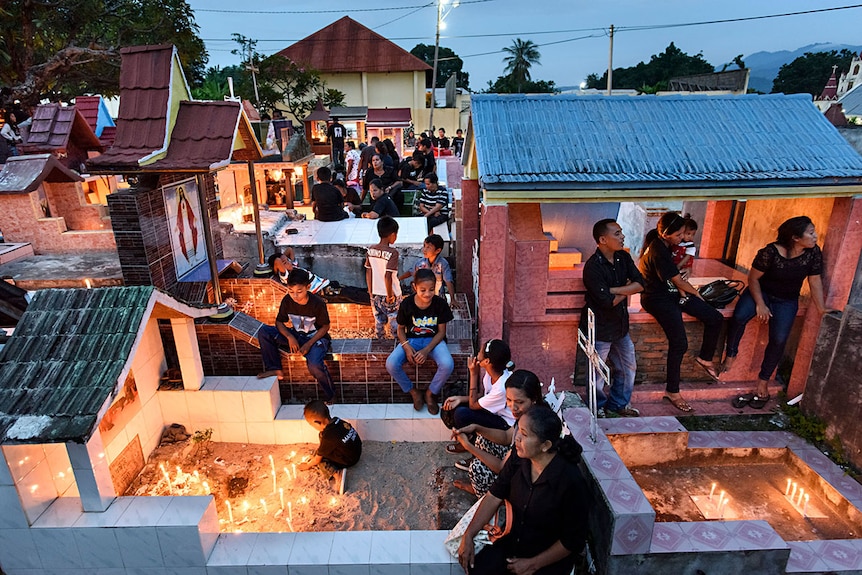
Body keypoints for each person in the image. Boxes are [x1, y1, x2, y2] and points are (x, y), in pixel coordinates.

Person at [457, 404, 590, 575]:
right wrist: (469, 535)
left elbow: (572, 541)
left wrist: (533, 564)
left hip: (546, 559)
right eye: (518, 430)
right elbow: (494, 495)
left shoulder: (570, 481)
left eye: (525, 434)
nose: (517, 438)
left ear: (545, 445)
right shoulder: (518, 459)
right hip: (513, 544)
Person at [722, 216, 829, 409]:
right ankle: (731, 353)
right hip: (761, 291)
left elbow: (814, 281)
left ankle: (763, 381)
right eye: (811, 233)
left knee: (779, 339)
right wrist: (760, 304)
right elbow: (753, 279)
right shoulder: (770, 252)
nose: (815, 236)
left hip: (786, 300)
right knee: (739, 316)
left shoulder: (813, 253)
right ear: (796, 237)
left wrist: (821, 308)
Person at [638, 211, 723, 413]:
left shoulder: (665, 243)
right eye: (678, 235)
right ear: (666, 234)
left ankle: (705, 357)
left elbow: (678, 280)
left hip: (674, 293)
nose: (681, 239)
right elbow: (676, 280)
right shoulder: (658, 249)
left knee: (715, 317)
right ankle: (673, 391)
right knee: (679, 343)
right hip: (657, 299)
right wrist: (697, 295)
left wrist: (691, 293)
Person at [582, 219, 644, 417]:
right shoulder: (593, 267)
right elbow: (606, 301)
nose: (622, 236)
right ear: (603, 239)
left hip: (620, 326)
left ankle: (618, 404)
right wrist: (627, 290)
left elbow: (640, 284)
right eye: (617, 233)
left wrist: (614, 290)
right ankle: (597, 406)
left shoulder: (623, 258)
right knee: (597, 372)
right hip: (599, 328)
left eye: (621, 232)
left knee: (627, 366)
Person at [451, 369, 544, 497]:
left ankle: (485, 496)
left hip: (525, 481)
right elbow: (506, 437)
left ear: (533, 399)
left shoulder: (532, 427)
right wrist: (476, 428)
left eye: (520, 402)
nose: (513, 407)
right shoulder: (528, 414)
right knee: (482, 439)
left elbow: (502, 467)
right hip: (519, 465)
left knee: (477, 468)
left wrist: (468, 446)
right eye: (509, 400)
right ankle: (480, 487)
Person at [257, 268, 337, 403]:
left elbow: (325, 327)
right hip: (296, 335)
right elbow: (279, 322)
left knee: (314, 365)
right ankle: (275, 369)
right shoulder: (287, 300)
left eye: (299, 292)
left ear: (308, 287)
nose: (295, 295)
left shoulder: (317, 303)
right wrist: (289, 337)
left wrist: (308, 344)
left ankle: (331, 395)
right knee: (264, 332)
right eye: (291, 291)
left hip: (315, 338)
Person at [386, 268, 454, 415]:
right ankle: (413, 392)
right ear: (414, 287)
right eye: (423, 290)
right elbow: (400, 330)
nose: (428, 294)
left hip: (434, 341)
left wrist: (426, 350)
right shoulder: (407, 304)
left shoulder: (440, 304)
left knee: (447, 364)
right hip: (411, 340)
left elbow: (442, 332)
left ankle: (431, 393)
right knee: (391, 363)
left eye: (431, 289)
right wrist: (406, 347)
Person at [442, 339, 515, 451]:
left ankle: (472, 445)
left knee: (462, 414)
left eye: (480, 351)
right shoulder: (493, 374)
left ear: (487, 361)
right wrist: (460, 399)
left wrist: (473, 373)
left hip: (505, 424)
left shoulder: (501, 387)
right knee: (449, 408)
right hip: (495, 413)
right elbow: (486, 396)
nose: (477, 353)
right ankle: (470, 438)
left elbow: (473, 405)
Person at [298, 400, 362, 489]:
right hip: (357, 451)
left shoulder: (328, 436)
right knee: (322, 436)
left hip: (349, 460)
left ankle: (337, 475)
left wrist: (307, 465)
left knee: (321, 461)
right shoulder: (337, 420)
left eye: (311, 424)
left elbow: (317, 460)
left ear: (317, 422)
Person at [365, 217, 402, 339]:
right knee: (395, 322)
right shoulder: (393, 253)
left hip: (375, 293)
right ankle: (397, 344)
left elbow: (368, 272)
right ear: (392, 235)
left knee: (379, 322)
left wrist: (371, 293)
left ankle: (380, 343)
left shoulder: (371, 250)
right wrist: (390, 295)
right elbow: (388, 276)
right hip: (391, 294)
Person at [672, 215, 698, 280]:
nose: (690, 237)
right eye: (688, 234)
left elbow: (688, 256)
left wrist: (679, 265)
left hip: (683, 266)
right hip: (675, 265)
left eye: (693, 234)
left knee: (682, 280)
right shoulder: (678, 242)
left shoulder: (690, 244)